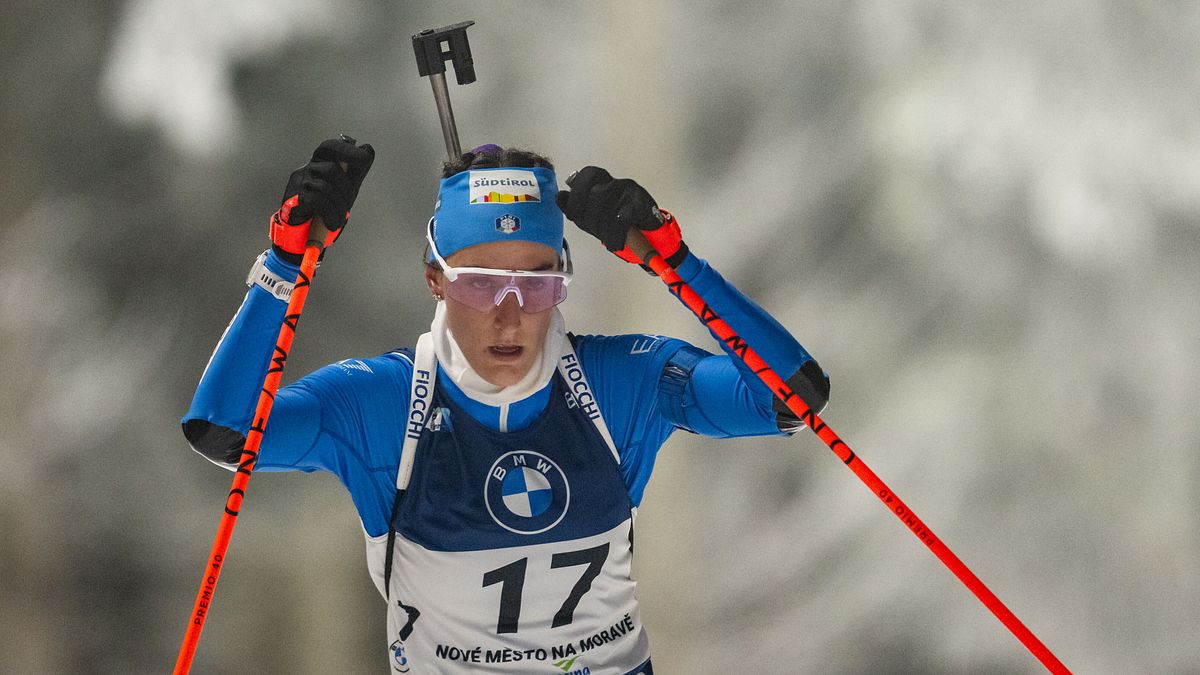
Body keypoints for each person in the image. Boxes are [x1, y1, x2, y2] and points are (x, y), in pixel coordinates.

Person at [183, 136, 830, 674]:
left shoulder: (621, 382)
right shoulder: (383, 402)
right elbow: (222, 431)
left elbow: (790, 398)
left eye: (537, 284)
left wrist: (676, 263)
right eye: (480, 284)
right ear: (435, 279)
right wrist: (284, 263)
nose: (511, 314)